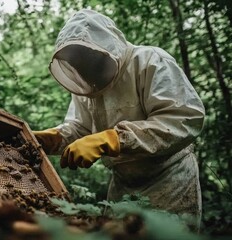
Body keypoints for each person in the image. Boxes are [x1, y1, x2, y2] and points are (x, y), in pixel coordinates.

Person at [33, 9, 205, 228]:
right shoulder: (85, 85)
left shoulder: (150, 61)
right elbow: (81, 129)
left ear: (104, 46)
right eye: (77, 62)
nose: (84, 67)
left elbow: (183, 118)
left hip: (169, 180)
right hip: (122, 183)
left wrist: (114, 139)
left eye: (86, 58)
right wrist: (53, 138)